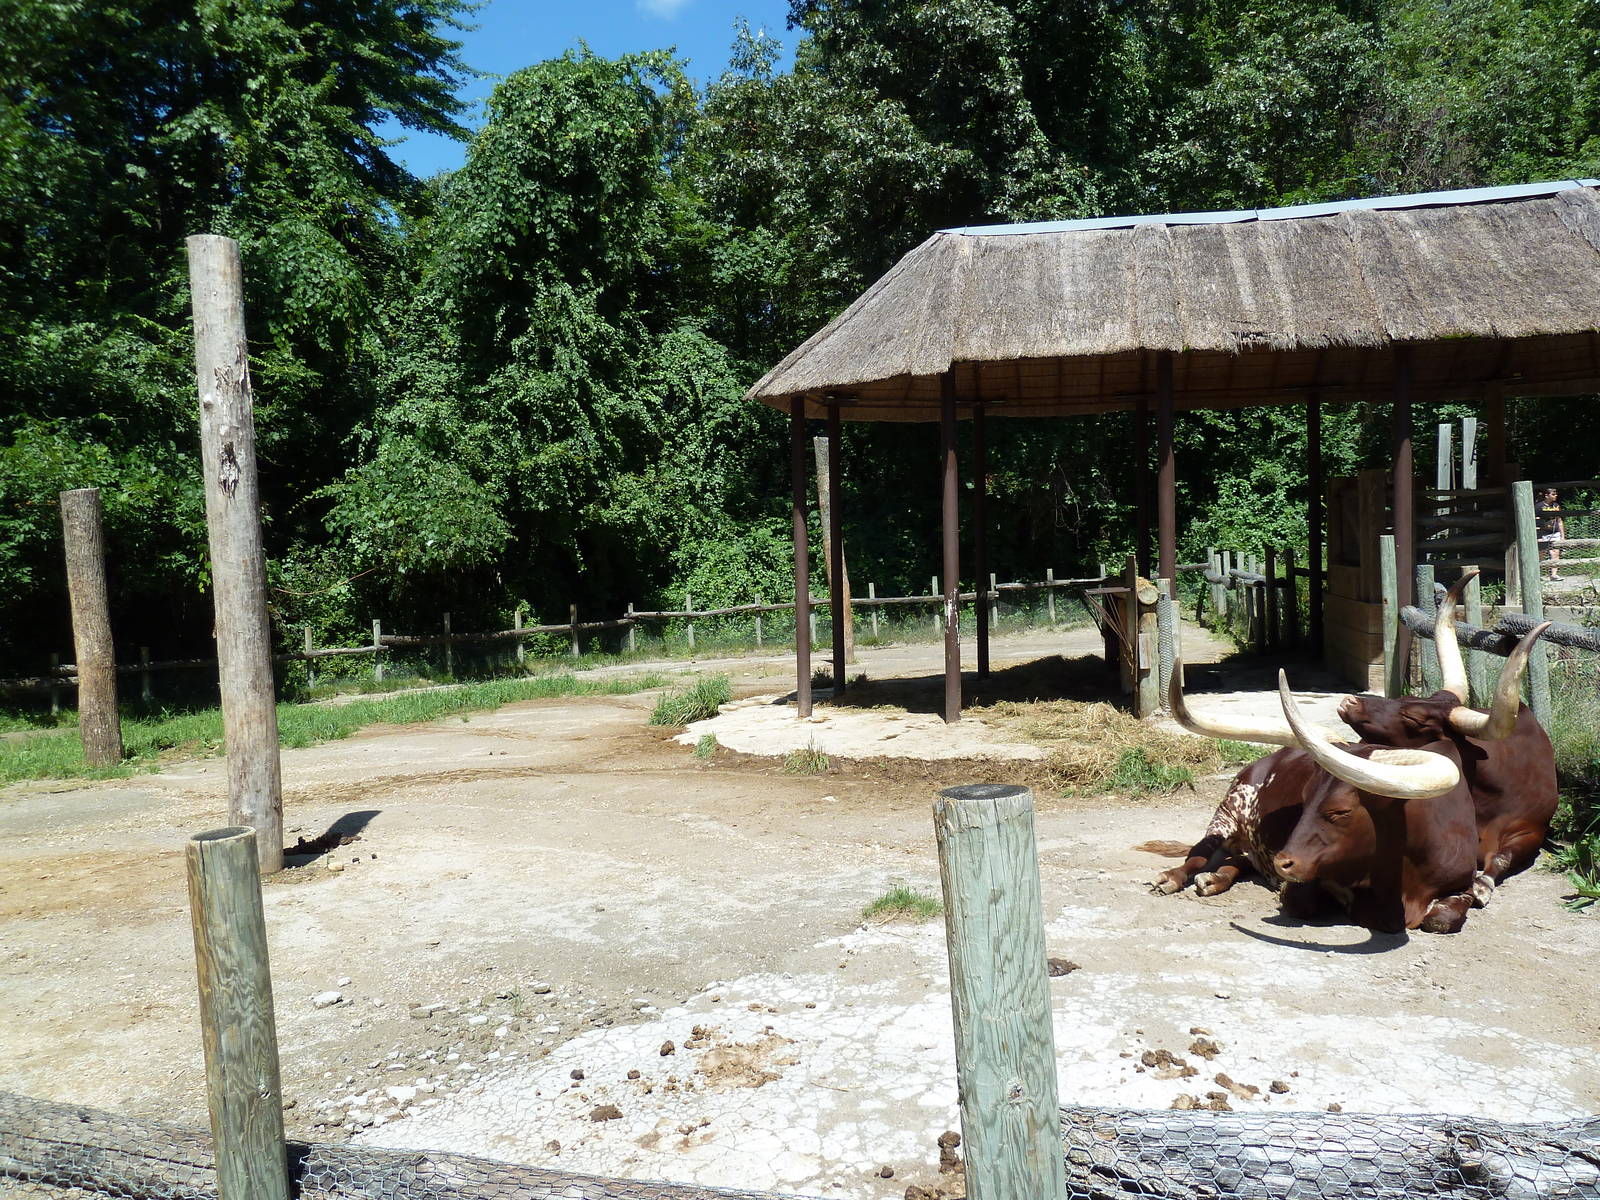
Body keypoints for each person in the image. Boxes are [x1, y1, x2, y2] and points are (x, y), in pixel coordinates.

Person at [1538, 487, 1565, 581]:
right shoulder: (1538, 506)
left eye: (1556, 494)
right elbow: (1534, 521)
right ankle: (1538, 574)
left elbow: (1560, 520)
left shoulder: (1556, 505)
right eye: (1553, 494)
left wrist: (1562, 535)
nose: (1555, 496)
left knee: (1555, 552)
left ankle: (1553, 575)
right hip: (1543, 533)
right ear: (1546, 495)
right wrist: (1537, 535)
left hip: (1555, 532)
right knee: (1541, 553)